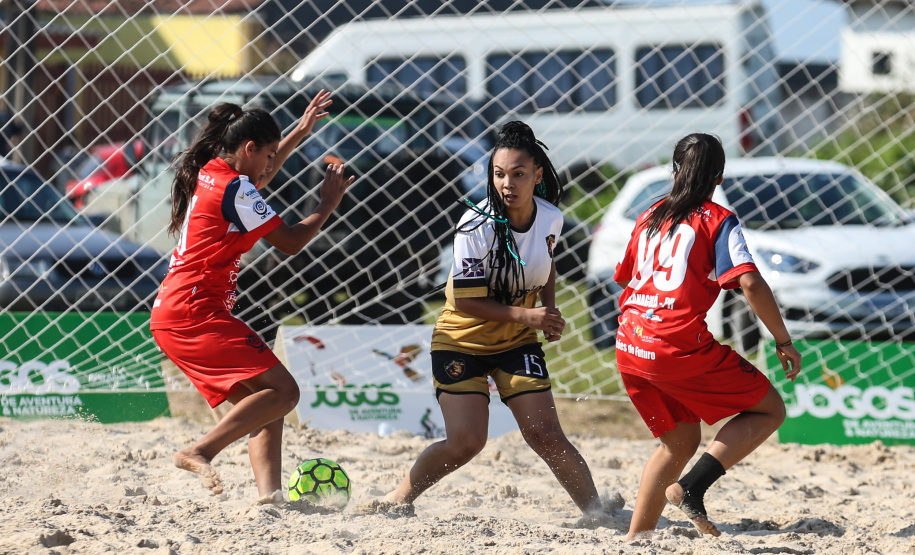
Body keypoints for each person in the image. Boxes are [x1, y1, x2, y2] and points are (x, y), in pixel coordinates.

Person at [384, 121, 604, 518]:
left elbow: (547, 262)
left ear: (538, 175)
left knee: (545, 435)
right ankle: (397, 499)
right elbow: (467, 302)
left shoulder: (551, 217)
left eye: (518, 174)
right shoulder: (475, 224)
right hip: (461, 341)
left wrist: (549, 311)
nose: (507, 183)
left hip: (517, 341)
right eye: (499, 174)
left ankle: (599, 512)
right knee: (466, 443)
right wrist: (530, 315)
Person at [149, 90, 354, 501]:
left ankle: (270, 500)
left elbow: (261, 175)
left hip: (175, 311)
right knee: (286, 392)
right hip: (194, 312)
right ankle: (199, 450)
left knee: (268, 403)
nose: (271, 165)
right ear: (248, 149)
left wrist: (299, 130)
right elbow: (292, 241)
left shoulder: (215, 171)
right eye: (268, 154)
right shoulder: (235, 190)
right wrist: (327, 203)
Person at [612, 133, 803, 539]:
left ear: (675, 170)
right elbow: (749, 282)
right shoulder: (718, 218)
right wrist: (783, 341)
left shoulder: (649, 215)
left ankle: (638, 538)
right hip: (674, 345)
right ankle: (692, 489)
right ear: (719, 177)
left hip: (628, 342)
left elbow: (627, 276)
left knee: (678, 441)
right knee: (770, 409)